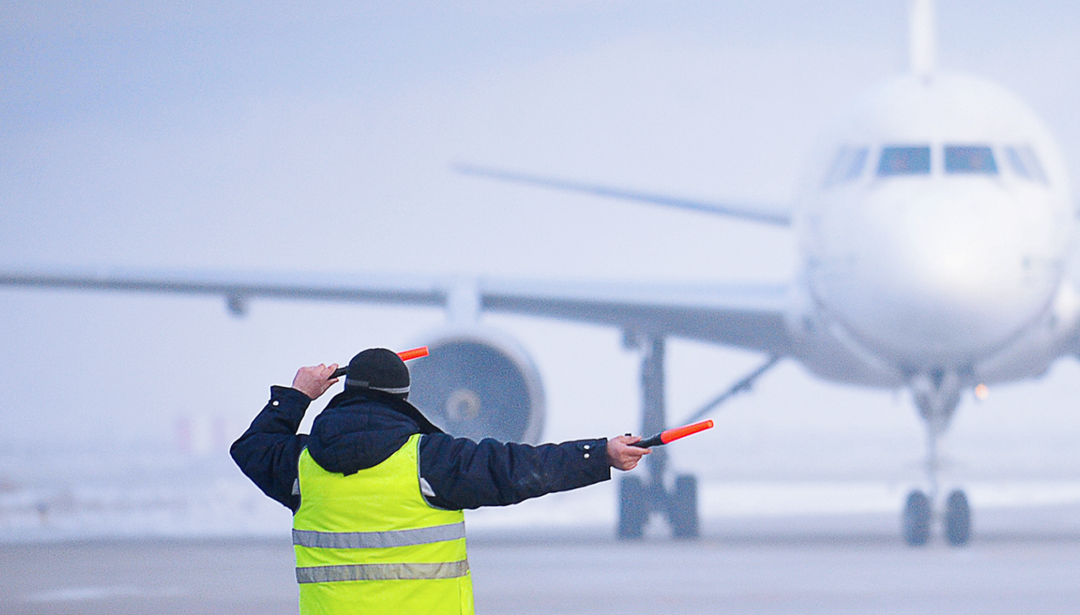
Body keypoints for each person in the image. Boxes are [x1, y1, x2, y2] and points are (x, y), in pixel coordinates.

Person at [231, 347, 649, 615]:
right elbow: (520, 468)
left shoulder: (301, 468)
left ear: (345, 393)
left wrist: (298, 394)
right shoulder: (431, 461)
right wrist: (600, 455)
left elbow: (252, 447)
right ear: (402, 398)